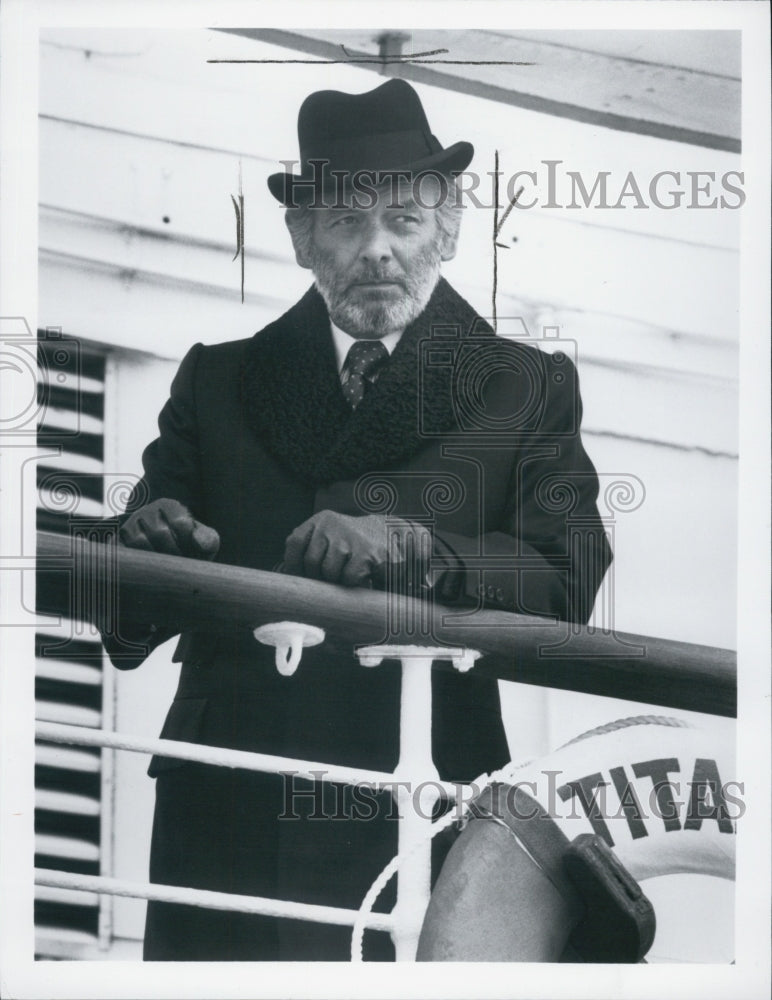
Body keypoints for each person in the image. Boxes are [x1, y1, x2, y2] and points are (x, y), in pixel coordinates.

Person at [106, 78, 612, 961]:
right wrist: (146, 546)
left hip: (411, 815)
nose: (376, 252)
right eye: (344, 223)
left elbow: (567, 578)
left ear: (448, 226)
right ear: (303, 238)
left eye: (404, 222)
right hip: (222, 813)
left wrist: (410, 548)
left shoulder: (521, 388)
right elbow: (126, 610)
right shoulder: (219, 380)